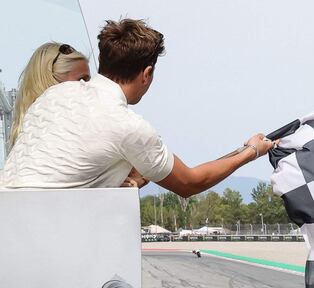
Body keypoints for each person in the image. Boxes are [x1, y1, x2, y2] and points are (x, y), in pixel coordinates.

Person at [1, 18, 274, 196]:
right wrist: (251, 152)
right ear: (147, 74)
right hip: (51, 236)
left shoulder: (54, 95)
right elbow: (190, 182)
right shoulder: (129, 127)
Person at [9, 42, 91, 149]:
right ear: (51, 80)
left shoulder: (25, 139)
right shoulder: (66, 133)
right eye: (81, 79)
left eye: (88, 80)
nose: (88, 86)